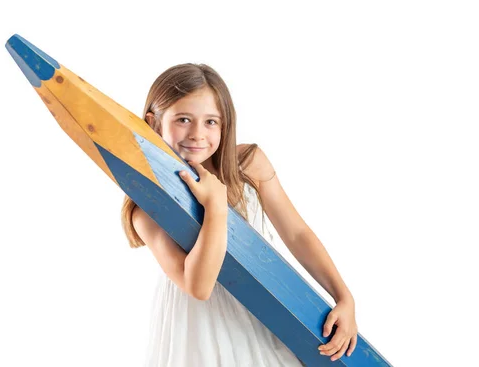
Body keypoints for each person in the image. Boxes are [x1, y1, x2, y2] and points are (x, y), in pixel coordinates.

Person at [120, 63, 358, 366]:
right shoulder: (147, 208)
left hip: (259, 313)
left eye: (210, 122)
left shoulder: (248, 164)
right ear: (154, 123)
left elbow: (297, 233)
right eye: (183, 119)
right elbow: (199, 286)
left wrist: (344, 297)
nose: (197, 134)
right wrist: (216, 207)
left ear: (225, 125)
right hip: (200, 332)